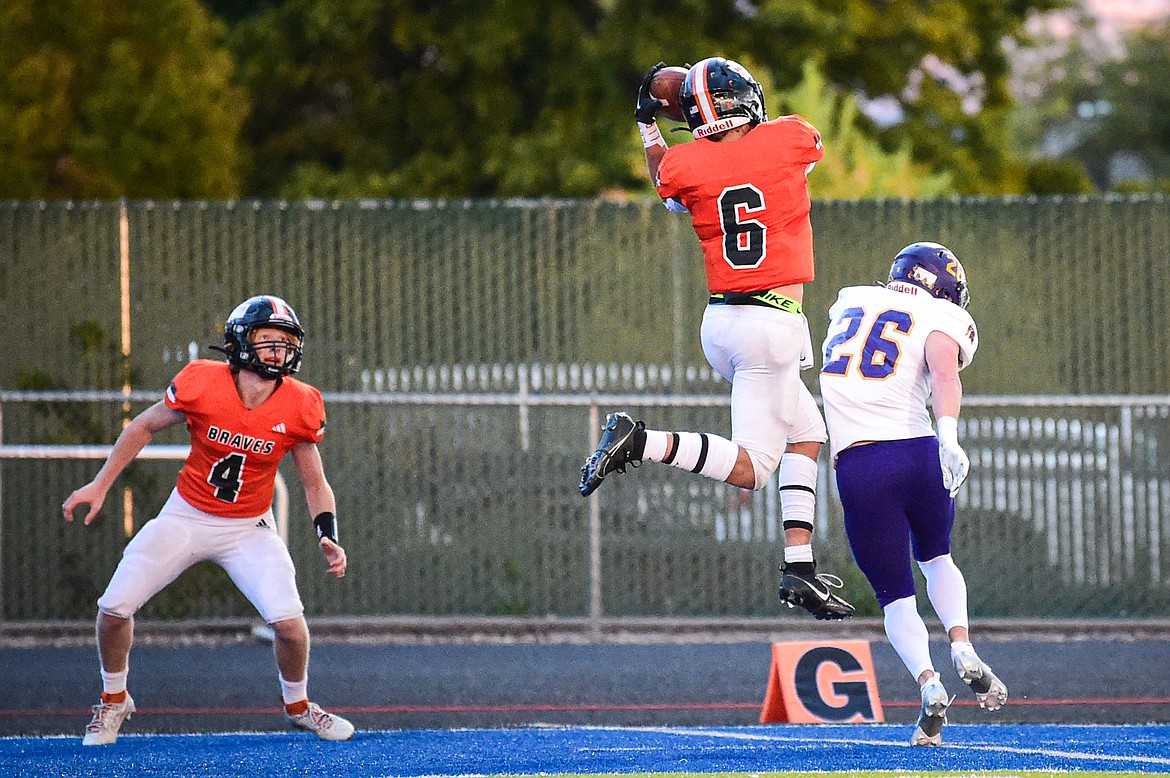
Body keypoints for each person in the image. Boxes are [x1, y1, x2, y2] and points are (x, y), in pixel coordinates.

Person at [578, 57, 853, 621]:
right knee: (752, 468)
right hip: (769, 327)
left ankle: (798, 568)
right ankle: (639, 441)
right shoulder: (791, 138)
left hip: (723, 322)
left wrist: (649, 124)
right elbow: (793, 153)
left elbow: (664, 182)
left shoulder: (686, 164)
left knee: (808, 432)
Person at [62, 295, 354, 745]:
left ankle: (298, 705)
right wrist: (100, 484)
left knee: (292, 628)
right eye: (267, 340)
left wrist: (327, 534)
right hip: (188, 515)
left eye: (285, 342)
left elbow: (315, 482)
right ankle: (114, 698)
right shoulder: (202, 382)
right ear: (240, 342)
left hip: (249, 527)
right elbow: (143, 425)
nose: (278, 351)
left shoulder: (300, 403)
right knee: (112, 609)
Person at [818, 242, 1008, 746]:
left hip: (860, 464)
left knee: (896, 598)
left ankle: (928, 683)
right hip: (919, 452)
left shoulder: (848, 301)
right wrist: (949, 438)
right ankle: (962, 645)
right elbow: (944, 371)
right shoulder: (940, 314)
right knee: (938, 559)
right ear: (943, 289)